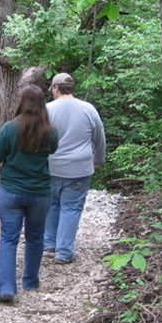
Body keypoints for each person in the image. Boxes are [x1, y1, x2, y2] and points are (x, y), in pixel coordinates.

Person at [0, 84, 59, 303]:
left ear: (21, 102)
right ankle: (30, 281)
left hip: (11, 192)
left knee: (9, 238)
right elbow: (52, 150)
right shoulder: (50, 131)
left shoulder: (9, 128)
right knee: (35, 237)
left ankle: (6, 288)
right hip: (40, 193)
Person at [43, 72, 106, 264]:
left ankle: (49, 244)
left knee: (51, 204)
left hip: (51, 166)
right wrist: (98, 159)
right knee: (71, 208)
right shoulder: (88, 109)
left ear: (55, 88)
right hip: (79, 168)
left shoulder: (46, 110)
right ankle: (64, 252)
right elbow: (99, 137)